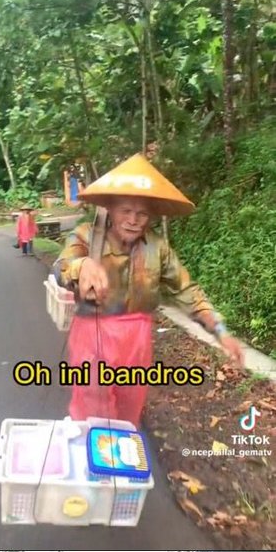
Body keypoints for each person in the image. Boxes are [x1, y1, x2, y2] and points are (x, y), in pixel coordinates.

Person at [52, 153, 244, 426]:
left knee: (130, 407)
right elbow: (61, 266)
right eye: (126, 211)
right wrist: (81, 266)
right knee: (93, 408)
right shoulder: (85, 235)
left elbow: (187, 290)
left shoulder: (158, 247)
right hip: (92, 335)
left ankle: (124, 460)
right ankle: (91, 459)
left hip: (136, 341)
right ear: (110, 208)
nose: (133, 220)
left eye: (141, 213)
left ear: (151, 216)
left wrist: (221, 332)